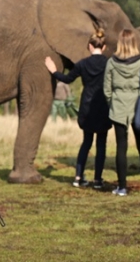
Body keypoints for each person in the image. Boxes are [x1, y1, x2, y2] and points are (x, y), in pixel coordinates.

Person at [45, 28, 112, 189]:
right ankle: (97, 180)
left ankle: (78, 177)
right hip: (103, 107)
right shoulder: (109, 63)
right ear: (103, 48)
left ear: (89, 46)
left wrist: (53, 71)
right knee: (101, 144)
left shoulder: (82, 64)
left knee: (86, 143)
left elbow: (67, 79)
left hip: (87, 107)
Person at [103, 29, 140, 196]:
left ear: (120, 43)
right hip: (139, 105)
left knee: (121, 147)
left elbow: (107, 88)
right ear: (134, 42)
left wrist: (113, 103)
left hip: (119, 105)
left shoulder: (111, 62)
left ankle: (122, 187)